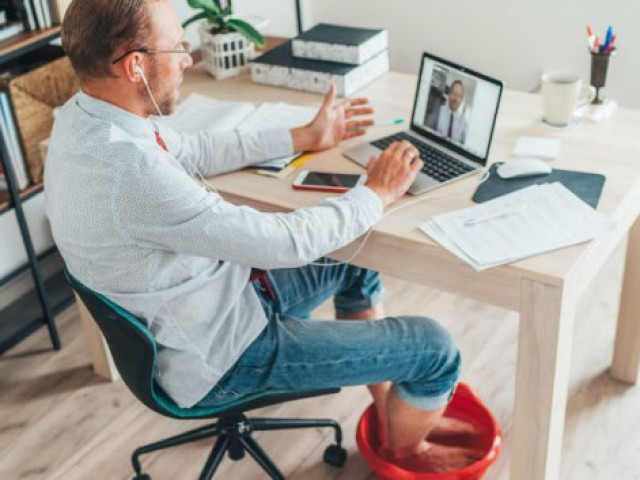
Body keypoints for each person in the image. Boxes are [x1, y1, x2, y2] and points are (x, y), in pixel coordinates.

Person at [47, 0, 481, 472]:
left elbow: (195, 148)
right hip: (224, 356)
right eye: (178, 48)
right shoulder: (128, 172)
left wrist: (304, 136)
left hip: (214, 304)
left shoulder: (85, 119)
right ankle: (406, 451)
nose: (188, 60)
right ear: (135, 66)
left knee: (355, 259)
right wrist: (376, 193)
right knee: (436, 349)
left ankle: (388, 411)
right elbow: (283, 244)